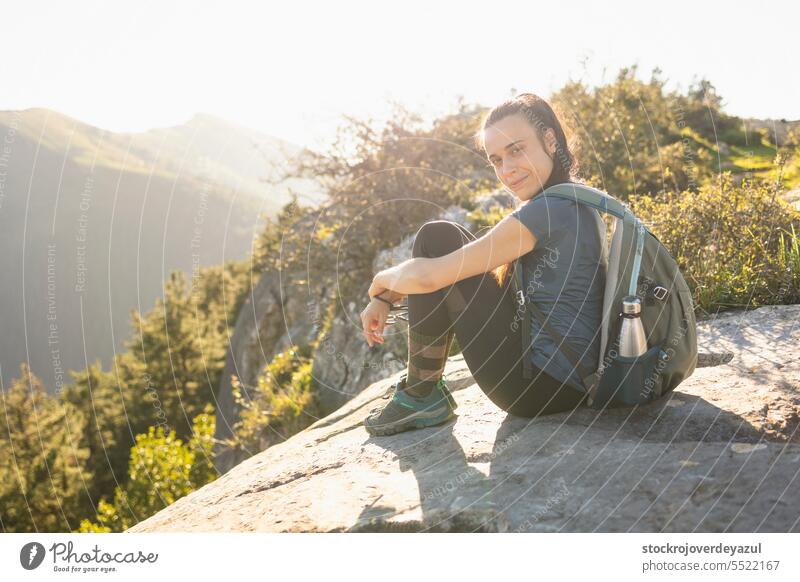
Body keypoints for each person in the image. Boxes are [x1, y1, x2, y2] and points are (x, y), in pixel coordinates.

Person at [360, 93, 607, 437]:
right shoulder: (576, 199)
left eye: (516, 150)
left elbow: (431, 277)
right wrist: (391, 294)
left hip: (540, 388)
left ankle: (420, 395)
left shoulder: (548, 211)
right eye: (496, 160)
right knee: (448, 242)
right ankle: (422, 395)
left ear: (550, 140)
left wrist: (380, 286)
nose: (507, 170)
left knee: (437, 240)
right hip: (571, 378)